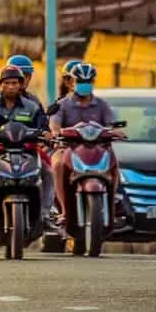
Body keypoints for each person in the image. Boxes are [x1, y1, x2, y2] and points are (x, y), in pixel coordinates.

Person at [0, 65, 54, 223]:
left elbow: (42, 126)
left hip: (28, 150)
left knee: (48, 171)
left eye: (15, 83)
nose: (11, 86)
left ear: (21, 85)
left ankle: (47, 212)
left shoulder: (32, 106)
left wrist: (46, 133)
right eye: (7, 83)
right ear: (1, 84)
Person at [49, 62, 124, 224]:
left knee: (114, 162)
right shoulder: (62, 105)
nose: (85, 85)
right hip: (68, 149)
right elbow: (54, 125)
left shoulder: (102, 105)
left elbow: (110, 126)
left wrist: (114, 132)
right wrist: (56, 132)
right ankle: (63, 211)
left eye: (88, 82)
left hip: (98, 150)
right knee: (56, 165)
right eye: (80, 82)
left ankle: (113, 205)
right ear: (71, 83)